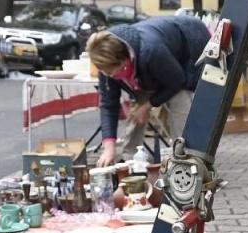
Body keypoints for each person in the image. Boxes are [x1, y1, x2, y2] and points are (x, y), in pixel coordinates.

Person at [86, 15, 211, 167]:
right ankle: (129, 159)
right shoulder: (106, 64)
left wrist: (148, 105)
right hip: (149, 70)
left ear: (124, 59)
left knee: (180, 102)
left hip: (187, 51)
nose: (112, 76)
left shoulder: (151, 51)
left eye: (115, 72)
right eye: (108, 73)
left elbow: (178, 80)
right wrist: (109, 147)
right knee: (136, 112)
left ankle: (186, 160)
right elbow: (108, 104)